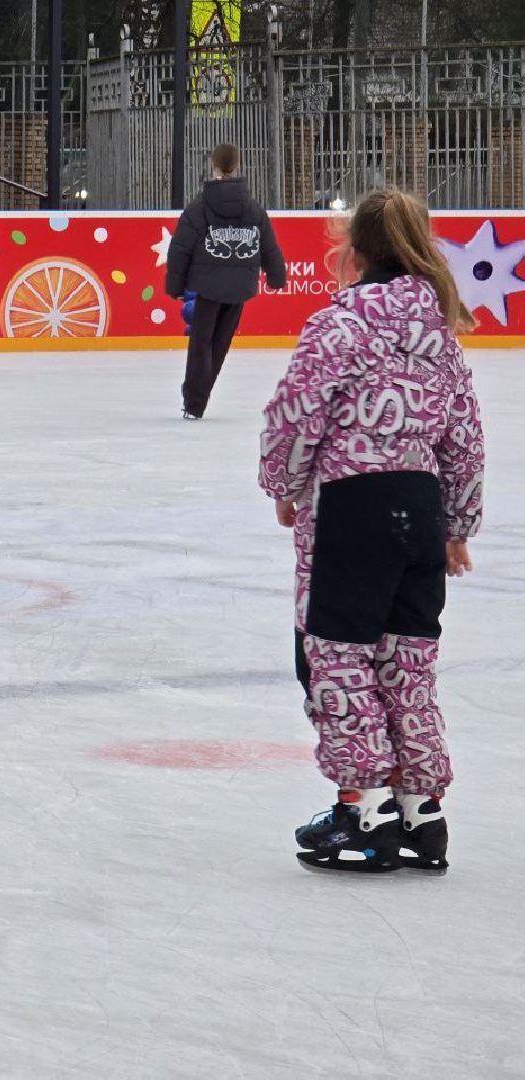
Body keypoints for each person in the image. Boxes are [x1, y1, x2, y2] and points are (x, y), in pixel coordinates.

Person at [259, 188, 484, 874]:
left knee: (337, 657)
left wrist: (284, 482)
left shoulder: (342, 322)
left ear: (350, 250)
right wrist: (456, 523)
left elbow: (297, 411)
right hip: (418, 507)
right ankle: (422, 812)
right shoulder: (438, 332)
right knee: (406, 662)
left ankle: (365, 813)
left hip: (354, 508)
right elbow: (466, 436)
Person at [166, 143, 286, 418]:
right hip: (239, 286)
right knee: (220, 343)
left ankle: (195, 402)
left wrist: (175, 286)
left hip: (207, 286)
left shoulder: (198, 208)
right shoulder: (253, 209)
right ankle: (199, 395)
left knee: (201, 343)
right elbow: (269, 247)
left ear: (214, 166)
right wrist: (276, 277)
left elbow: (180, 248)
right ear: (238, 166)